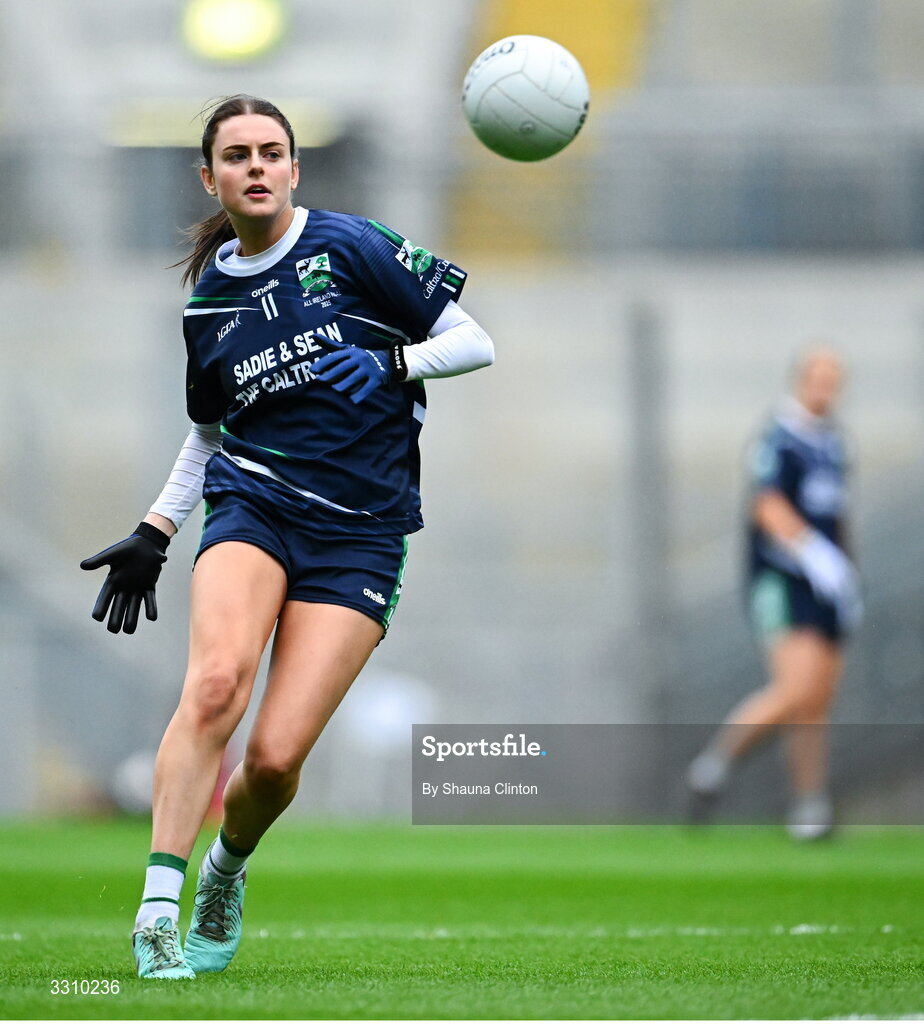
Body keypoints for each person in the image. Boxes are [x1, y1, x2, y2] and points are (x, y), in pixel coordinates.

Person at [81, 95, 494, 980]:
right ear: (212, 177)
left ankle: (225, 871)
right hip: (253, 502)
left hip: (362, 534)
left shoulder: (352, 246)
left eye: (272, 152)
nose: (257, 166)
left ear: (295, 168)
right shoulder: (209, 303)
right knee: (218, 682)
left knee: (271, 762)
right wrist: (157, 529)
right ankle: (157, 912)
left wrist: (394, 361)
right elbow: (209, 432)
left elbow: (474, 340)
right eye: (238, 155)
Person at [685, 347, 861, 841]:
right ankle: (715, 763)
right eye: (818, 378)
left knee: (817, 701)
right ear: (801, 381)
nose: (825, 389)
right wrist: (811, 552)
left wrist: (845, 573)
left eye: (834, 380)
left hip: (826, 585)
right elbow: (767, 506)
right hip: (783, 578)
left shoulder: (835, 443)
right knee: (796, 688)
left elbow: (839, 516)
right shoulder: (780, 436)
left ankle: (809, 806)